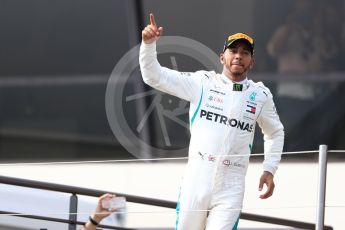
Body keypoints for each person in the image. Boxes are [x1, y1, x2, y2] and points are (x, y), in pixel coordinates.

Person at [140, 13, 284, 230]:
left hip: (232, 183)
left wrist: (269, 169)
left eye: (245, 53)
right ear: (222, 57)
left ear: (251, 62)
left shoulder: (261, 94)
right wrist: (148, 44)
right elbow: (154, 77)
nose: (238, 56)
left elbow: (275, 133)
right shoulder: (202, 82)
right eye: (233, 51)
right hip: (197, 178)